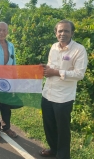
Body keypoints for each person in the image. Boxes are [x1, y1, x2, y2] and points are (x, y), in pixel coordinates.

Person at [40, 20, 88, 159]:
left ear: (72, 33)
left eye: (66, 31)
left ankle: (63, 155)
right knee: (49, 125)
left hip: (63, 97)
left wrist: (55, 72)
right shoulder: (54, 47)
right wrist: (45, 68)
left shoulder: (79, 50)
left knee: (63, 129)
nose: (63, 34)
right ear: (56, 33)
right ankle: (53, 149)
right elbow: (51, 65)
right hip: (48, 93)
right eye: (60, 31)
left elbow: (79, 74)